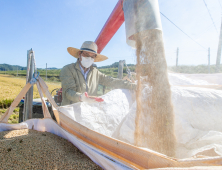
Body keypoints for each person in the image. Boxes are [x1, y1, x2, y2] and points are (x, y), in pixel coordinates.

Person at [60, 41, 136, 106]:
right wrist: (81, 97)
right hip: (69, 112)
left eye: (92, 56)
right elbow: (68, 92)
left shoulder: (95, 72)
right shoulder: (68, 69)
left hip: (87, 111)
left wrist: (132, 86)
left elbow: (111, 81)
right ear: (80, 54)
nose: (89, 58)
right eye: (86, 55)